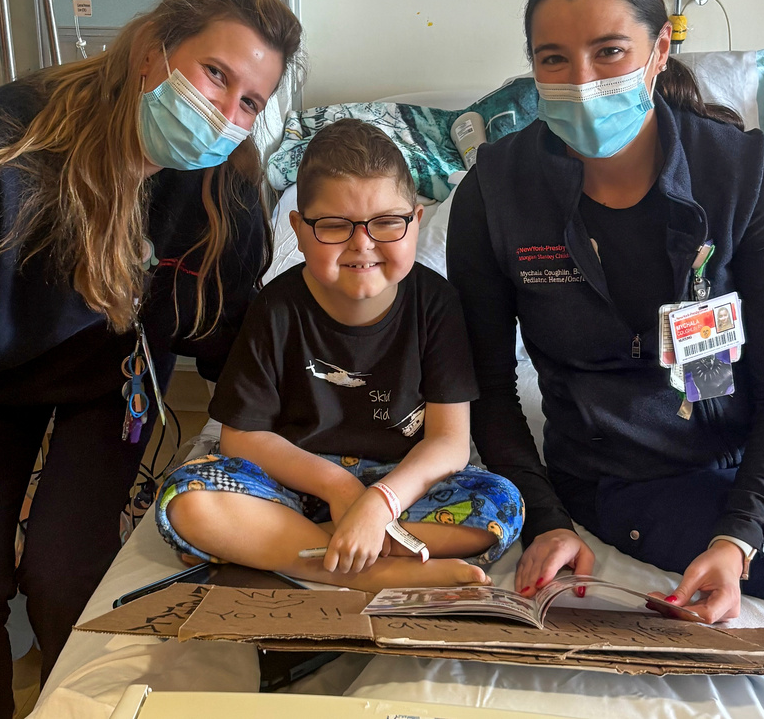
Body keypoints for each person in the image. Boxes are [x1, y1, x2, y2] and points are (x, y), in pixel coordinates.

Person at [0, 0, 302, 718]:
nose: (225, 112)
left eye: (250, 100)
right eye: (216, 73)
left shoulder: (219, 194)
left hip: (111, 387)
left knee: (70, 576)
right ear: (154, 50)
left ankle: (73, 703)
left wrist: (291, 472)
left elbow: (230, 343)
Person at [446, 0, 764, 665]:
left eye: (609, 51)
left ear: (660, 48)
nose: (581, 82)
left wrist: (740, 536)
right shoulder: (495, 195)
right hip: (635, 475)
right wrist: (545, 517)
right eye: (553, 60)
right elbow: (487, 387)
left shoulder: (744, 179)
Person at [156, 119, 523, 590]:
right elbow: (242, 439)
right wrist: (339, 486)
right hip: (295, 481)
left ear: (415, 220)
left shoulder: (437, 304)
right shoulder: (274, 307)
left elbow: (449, 443)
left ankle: (296, 551)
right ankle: (368, 570)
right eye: (333, 226)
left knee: (500, 503)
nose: (363, 244)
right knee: (186, 495)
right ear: (299, 227)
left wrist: (379, 503)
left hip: (401, 487)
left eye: (388, 222)